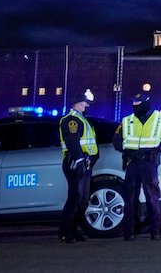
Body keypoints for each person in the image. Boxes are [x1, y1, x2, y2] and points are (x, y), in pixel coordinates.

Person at [113, 92, 161, 241]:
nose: (135, 105)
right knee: (130, 198)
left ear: (146, 103)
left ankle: (155, 232)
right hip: (132, 162)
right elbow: (116, 140)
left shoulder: (159, 119)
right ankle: (129, 232)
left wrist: (156, 149)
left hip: (149, 163)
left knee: (152, 198)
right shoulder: (127, 120)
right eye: (133, 102)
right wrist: (125, 149)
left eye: (138, 103)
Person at [58, 89, 98, 243]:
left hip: (83, 163)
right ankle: (65, 232)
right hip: (75, 163)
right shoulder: (71, 120)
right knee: (75, 198)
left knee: (83, 199)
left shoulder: (82, 118)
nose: (87, 105)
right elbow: (72, 142)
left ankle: (73, 231)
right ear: (77, 103)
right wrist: (80, 161)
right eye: (84, 102)